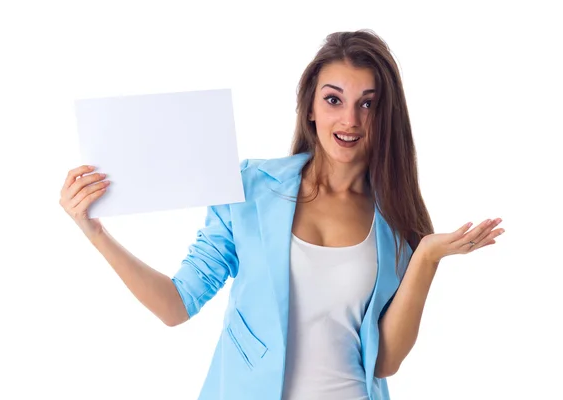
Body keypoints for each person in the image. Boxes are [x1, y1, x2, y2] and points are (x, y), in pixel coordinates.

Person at [59, 29, 504, 400]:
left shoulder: (396, 219)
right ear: (310, 107)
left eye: (367, 103)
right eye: (334, 100)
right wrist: (95, 232)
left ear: (385, 115)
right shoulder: (250, 189)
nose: (349, 119)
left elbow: (385, 361)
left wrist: (426, 257)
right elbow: (176, 306)